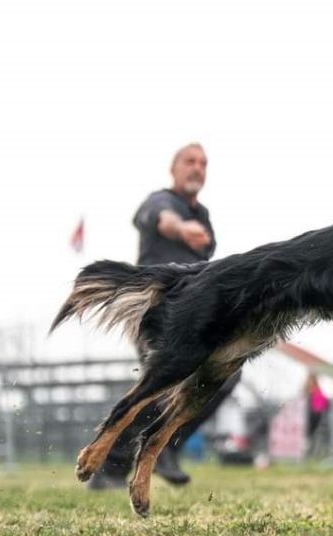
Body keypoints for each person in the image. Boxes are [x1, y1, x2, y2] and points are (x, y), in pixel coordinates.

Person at [88, 143, 241, 490]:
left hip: (192, 316)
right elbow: (165, 221)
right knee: (161, 385)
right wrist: (182, 230)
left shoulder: (204, 217)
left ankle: (161, 448)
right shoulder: (159, 202)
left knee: (226, 375)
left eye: (203, 163)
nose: (197, 168)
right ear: (174, 169)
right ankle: (112, 468)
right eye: (190, 161)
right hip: (154, 312)